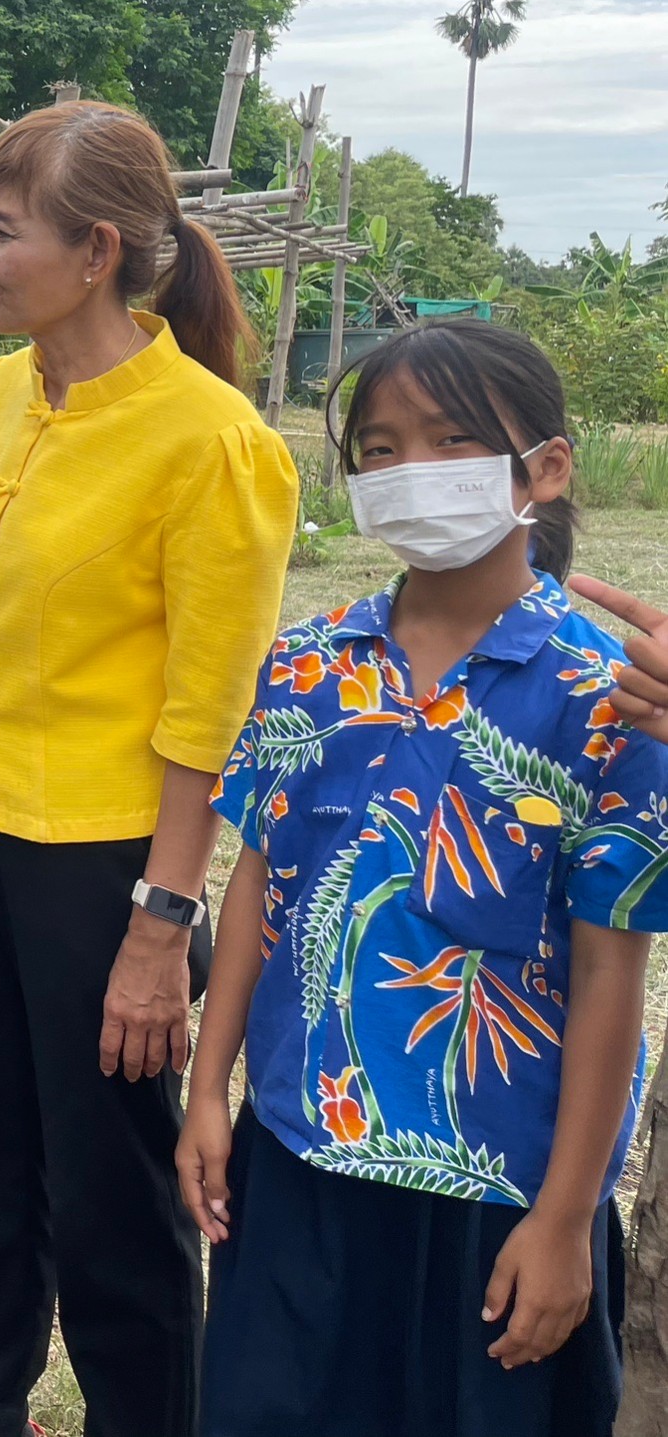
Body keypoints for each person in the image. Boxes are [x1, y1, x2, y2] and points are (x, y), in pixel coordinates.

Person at [0, 102, 298, 1437]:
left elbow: (206, 709)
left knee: (113, 1201)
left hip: (102, 861)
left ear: (98, 249)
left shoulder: (212, 441)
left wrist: (158, 925)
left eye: (2, 232)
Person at [180, 320, 668, 1437]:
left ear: (542, 469)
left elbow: (608, 977)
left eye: (452, 441)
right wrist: (210, 1095)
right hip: (301, 1154)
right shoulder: (309, 665)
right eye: (381, 450)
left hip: (500, 1196)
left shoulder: (609, 699)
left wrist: (564, 1218)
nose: (412, 475)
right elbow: (257, 885)